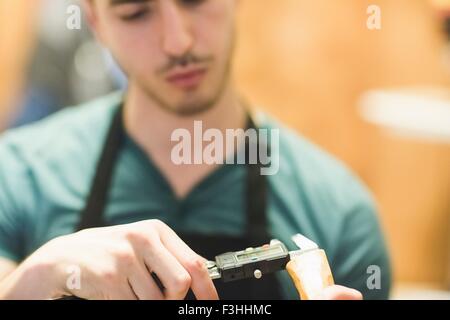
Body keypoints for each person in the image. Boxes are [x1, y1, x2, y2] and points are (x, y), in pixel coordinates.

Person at [0, 0, 390, 300]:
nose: (178, 42)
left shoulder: (339, 213)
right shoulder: (17, 177)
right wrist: (34, 277)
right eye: (136, 13)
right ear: (96, 22)